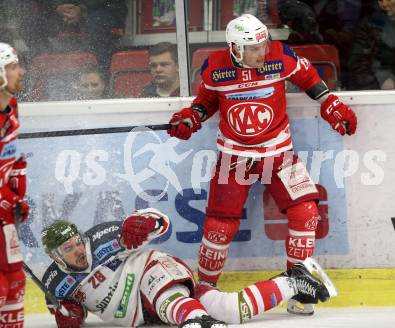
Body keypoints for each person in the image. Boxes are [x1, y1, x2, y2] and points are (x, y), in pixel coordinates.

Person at [167, 14, 356, 316]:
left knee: (306, 212)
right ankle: (204, 289)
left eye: (263, 44)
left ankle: (299, 287)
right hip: (234, 157)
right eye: (253, 48)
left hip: (279, 153)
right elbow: (206, 101)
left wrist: (330, 103)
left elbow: (307, 77)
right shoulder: (215, 68)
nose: (262, 52)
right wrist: (192, 117)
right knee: (218, 227)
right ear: (235, 49)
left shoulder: (280, 57)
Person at [40, 208, 332, 328]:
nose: (79, 249)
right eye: (68, 249)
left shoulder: (102, 238)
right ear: (56, 257)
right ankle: (294, 281)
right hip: (148, 313)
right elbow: (73, 321)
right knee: (229, 309)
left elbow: (160, 224)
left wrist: (146, 221)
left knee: (169, 299)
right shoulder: (55, 284)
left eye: (77, 241)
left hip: (156, 273)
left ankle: (199, 323)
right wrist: (66, 314)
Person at [0, 42, 30, 328]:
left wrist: (17, 191)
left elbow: (11, 157)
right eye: (12, 67)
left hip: (4, 213)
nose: (20, 72)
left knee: (16, 282)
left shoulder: (11, 105)